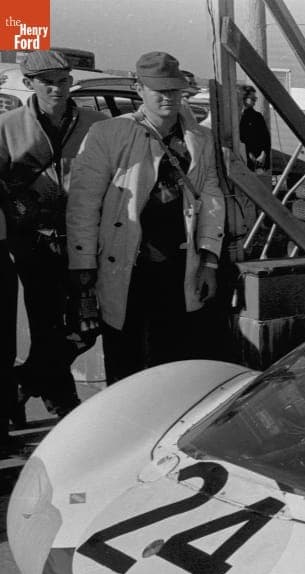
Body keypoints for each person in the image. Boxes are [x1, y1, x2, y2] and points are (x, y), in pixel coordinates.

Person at [65, 51, 225, 385]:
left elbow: (211, 199)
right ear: (139, 89)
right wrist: (83, 269)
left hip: (180, 269)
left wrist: (210, 261)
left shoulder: (199, 139)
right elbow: (83, 205)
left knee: (174, 363)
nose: (168, 97)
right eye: (159, 90)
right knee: (125, 360)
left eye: (173, 89)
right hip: (127, 267)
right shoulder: (109, 135)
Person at [0, 51, 105, 428]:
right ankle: (60, 398)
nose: (56, 88)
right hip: (34, 240)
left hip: (84, 237)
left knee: (88, 325)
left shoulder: (96, 123)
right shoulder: (7, 126)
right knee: (46, 322)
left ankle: (22, 384)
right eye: (46, 82)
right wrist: (19, 202)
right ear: (29, 84)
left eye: (62, 80)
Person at [238, 84, 270, 172]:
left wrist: (263, 154)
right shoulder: (237, 117)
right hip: (241, 160)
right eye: (252, 99)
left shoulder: (257, 117)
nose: (255, 101)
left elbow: (266, 138)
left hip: (257, 161)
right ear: (243, 98)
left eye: (255, 98)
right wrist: (248, 154)